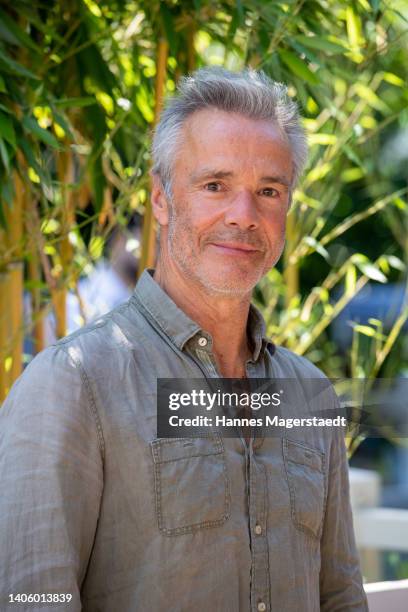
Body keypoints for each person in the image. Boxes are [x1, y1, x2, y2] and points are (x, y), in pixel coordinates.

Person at [0, 67, 368, 611]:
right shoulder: (72, 386)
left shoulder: (307, 394)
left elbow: (339, 597)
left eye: (268, 190)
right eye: (215, 185)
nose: (244, 217)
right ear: (161, 200)